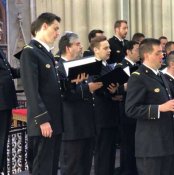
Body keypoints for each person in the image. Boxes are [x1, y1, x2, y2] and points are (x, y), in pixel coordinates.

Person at [125, 38, 174, 175]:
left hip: (166, 142)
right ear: (147, 55)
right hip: (151, 145)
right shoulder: (138, 77)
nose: (162, 55)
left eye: (162, 52)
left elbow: (169, 101)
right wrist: (159, 108)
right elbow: (131, 109)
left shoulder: (161, 75)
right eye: (158, 53)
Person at [20, 12, 62, 175]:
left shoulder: (46, 53)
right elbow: (31, 89)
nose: (58, 33)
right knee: (42, 168)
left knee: (51, 168)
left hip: (54, 121)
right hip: (44, 123)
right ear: (44, 26)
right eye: (55, 28)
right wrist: (42, 119)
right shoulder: (30, 52)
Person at [57, 32, 101, 175]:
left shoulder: (81, 64)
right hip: (72, 126)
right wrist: (88, 88)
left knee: (85, 167)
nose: (81, 47)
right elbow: (65, 95)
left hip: (87, 124)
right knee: (71, 167)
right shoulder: (59, 68)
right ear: (68, 48)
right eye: (77, 44)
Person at [90, 35, 119, 175]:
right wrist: (112, 92)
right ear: (96, 50)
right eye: (105, 48)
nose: (109, 50)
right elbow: (97, 89)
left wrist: (117, 91)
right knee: (102, 154)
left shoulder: (107, 66)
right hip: (101, 116)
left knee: (110, 154)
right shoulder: (92, 67)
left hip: (112, 114)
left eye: (109, 47)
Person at [115, 41, 140, 175]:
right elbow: (114, 87)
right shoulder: (122, 66)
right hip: (125, 109)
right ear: (128, 52)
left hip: (135, 109)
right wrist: (123, 88)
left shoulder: (137, 66)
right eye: (137, 50)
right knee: (128, 144)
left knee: (134, 144)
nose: (139, 53)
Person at [0, 27, 20, 174]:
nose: (1, 32)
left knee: (3, 139)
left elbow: (10, 72)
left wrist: (26, 66)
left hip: (5, 102)